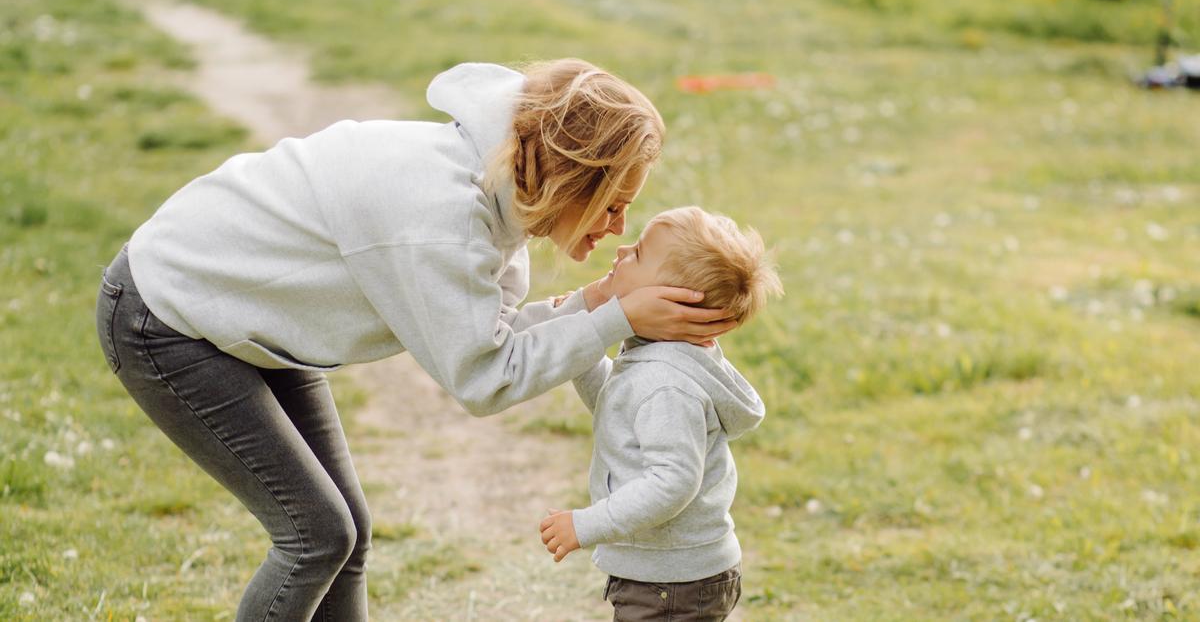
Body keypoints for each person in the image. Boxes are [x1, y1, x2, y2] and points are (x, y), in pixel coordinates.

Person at [94, 60, 735, 621]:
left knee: (347, 534)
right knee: (316, 535)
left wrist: (597, 302)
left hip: (253, 324)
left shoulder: (497, 198)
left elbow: (497, 336)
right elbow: (486, 377)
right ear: (570, 178)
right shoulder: (439, 214)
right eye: (612, 204)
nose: (619, 227)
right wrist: (616, 318)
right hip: (168, 315)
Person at [538, 206, 783, 622]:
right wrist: (582, 339)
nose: (620, 249)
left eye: (637, 254)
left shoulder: (667, 383)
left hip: (674, 584)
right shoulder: (658, 356)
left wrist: (586, 524)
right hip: (671, 577)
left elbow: (672, 482)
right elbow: (616, 409)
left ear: (672, 300)